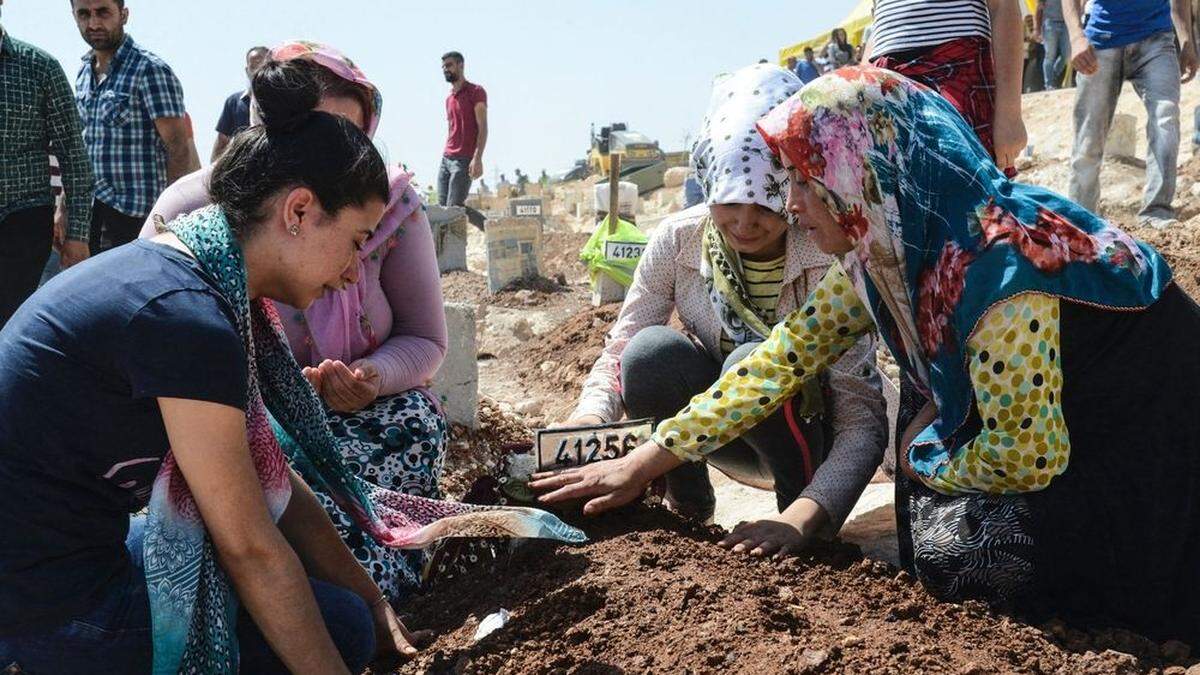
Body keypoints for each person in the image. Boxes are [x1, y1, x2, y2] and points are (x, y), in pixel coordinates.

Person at [533, 66, 1200, 645]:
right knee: (931, 524)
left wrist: (921, 454)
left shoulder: (996, 273)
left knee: (965, 553)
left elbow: (1030, 451)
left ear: (863, 174)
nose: (790, 205)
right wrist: (650, 457)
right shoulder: (888, 249)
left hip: (1140, 428)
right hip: (1059, 419)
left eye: (806, 182)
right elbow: (779, 361)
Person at [144, 41, 451, 604]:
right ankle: (317, 595)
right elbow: (170, 358)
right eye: (315, 134)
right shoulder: (191, 215)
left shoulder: (392, 207)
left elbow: (426, 339)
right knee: (270, 495)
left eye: (350, 139)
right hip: (231, 422)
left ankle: (376, 578)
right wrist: (276, 395)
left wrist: (368, 378)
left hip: (363, 419)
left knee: (404, 428)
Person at [561, 64, 887, 532]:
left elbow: (859, 417)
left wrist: (806, 519)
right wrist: (589, 419)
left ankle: (798, 505)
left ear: (795, 192)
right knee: (651, 353)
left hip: (811, 436)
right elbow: (621, 347)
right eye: (729, 202)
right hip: (710, 428)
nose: (745, 223)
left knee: (751, 360)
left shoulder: (828, 252)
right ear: (708, 184)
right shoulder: (679, 240)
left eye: (765, 206)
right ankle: (688, 512)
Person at [70, 0, 197, 254]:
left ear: (124, 15)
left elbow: (178, 149)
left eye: (103, 12)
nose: (93, 23)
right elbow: (82, 148)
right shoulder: (84, 73)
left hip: (138, 216)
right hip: (92, 214)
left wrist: (170, 218)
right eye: (84, 14)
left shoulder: (150, 70)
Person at [1065, 0, 1198, 228]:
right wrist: (1077, 36)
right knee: (1089, 138)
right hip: (1101, 41)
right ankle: (1081, 216)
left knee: (1165, 118)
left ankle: (1157, 211)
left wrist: (1186, 39)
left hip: (1156, 40)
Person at [0, 19, 94, 327]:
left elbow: (72, 153)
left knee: (10, 325)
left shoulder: (40, 67)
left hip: (22, 218)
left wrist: (77, 233)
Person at [863, 0, 1027, 171]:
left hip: (957, 61)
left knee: (971, 180)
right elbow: (879, 21)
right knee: (899, 185)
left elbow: (1003, 5)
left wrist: (1010, 115)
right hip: (884, 73)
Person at [438, 50, 487, 208]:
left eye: (449, 65)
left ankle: (490, 226)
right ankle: (490, 226)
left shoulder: (476, 92)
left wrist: (477, 158)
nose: (446, 69)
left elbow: (483, 127)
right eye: (444, 66)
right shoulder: (449, 99)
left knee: (453, 208)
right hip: (446, 159)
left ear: (461, 65)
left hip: (464, 159)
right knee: (442, 209)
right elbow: (452, 129)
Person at [212, 45, 270, 162]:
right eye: (253, 67)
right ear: (247, 71)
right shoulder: (234, 102)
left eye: (262, 66)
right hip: (244, 169)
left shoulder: (284, 100)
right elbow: (222, 141)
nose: (257, 72)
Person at [1036, 0, 1069, 89]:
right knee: (1050, 55)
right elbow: (1039, 9)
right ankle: (1049, 84)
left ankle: (1052, 75)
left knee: (1066, 54)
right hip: (1050, 23)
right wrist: (1037, 29)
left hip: (1065, 24)